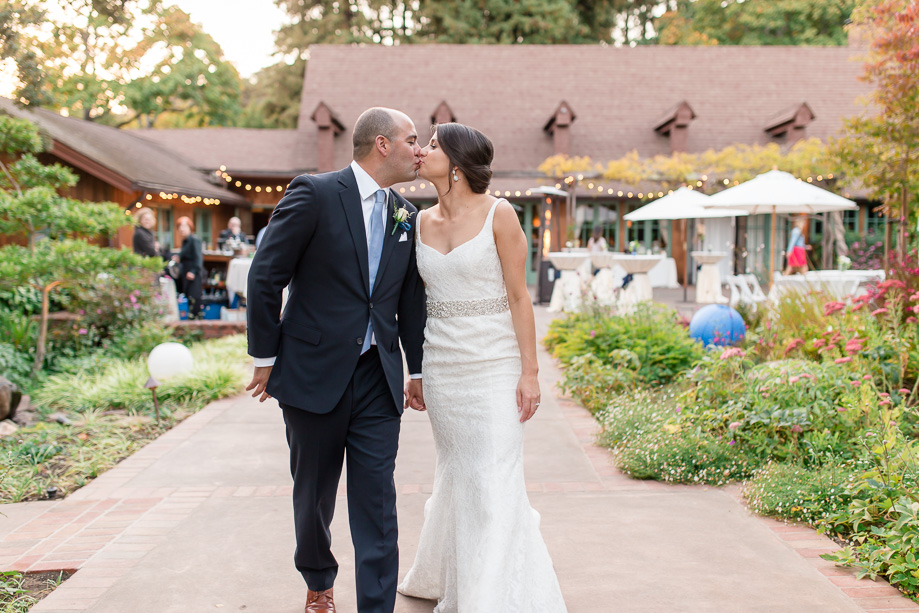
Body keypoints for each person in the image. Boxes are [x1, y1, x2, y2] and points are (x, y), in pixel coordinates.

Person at [245, 107, 426, 613]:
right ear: (383, 145)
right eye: (413, 140)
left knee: (377, 503)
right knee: (314, 496)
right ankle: (319, 581)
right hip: (312, 375)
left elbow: (409, 304)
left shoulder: (406, 216)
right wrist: (265, 355)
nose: (421, 150)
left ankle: (375, 605)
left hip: (377, 379)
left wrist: (415, 370)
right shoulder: (315, 193)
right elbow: (265, 276)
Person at [397, 123, 567, 612]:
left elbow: (519, 295)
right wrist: (417, 371)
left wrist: (530, 371)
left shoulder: (500, 213)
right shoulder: (419, 222)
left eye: (431, 145)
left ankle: (485, 598)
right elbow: (413, 302)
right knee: (459, 474)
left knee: (492, 478)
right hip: (444, 367)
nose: (421, 151)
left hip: (494, 365)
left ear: (454, 163)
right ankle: (448, 571)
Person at [173, 216, 204, 319]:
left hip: (193, 273)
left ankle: (196, 321)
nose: (182, 229)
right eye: (180, 227)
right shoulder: (184, 241)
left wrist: (194, 272)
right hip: (186, 273)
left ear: (190, 228)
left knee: (194, 299)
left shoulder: (194, 240)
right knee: (188, 298)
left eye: (184, 226)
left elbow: (198, 258)